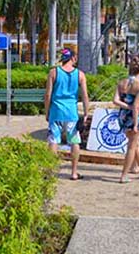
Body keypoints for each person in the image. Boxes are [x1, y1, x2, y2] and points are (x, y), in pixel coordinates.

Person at [44, 48, 89, 181]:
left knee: (53, 141)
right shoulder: (80, 74)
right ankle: (74, 172)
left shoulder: (54, 72)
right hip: (71, 112)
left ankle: (50, 171)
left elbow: (47, 95)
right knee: (74, 141)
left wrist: (47, 112)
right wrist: (86, 112)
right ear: (73, 58)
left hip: (56, 111)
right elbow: (85, 95)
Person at [113, 56, 139, 183]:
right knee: (132, 147)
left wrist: (126, 106)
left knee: (135, 144)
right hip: (135, 117)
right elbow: (136, 106)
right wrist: (136, 124)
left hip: (123, 116)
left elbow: (115, 100)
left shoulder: (121, 83)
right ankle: (124, 175)